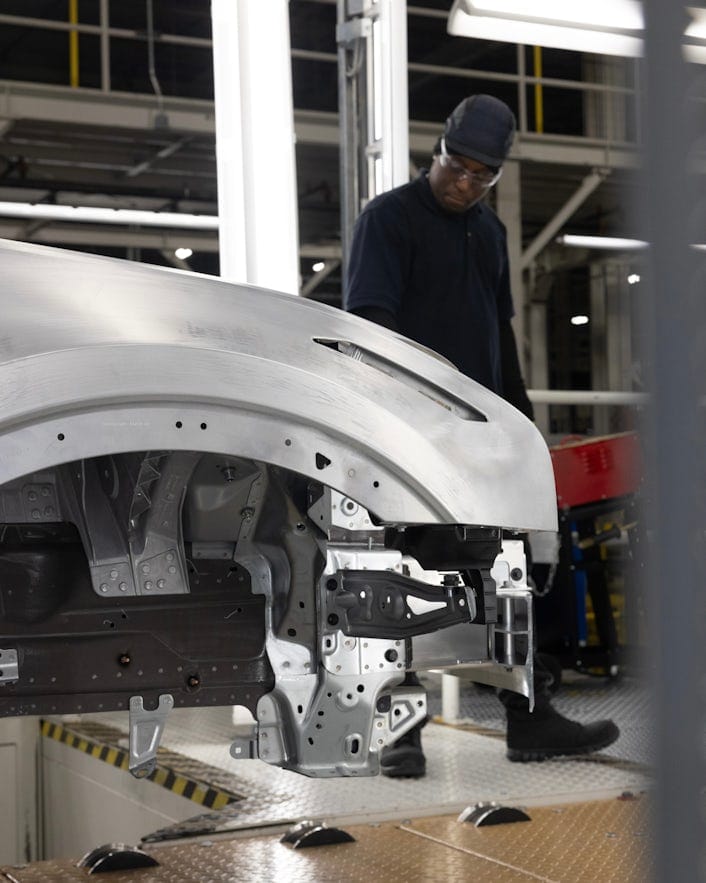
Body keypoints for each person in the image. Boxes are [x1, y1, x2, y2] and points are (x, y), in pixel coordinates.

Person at [343, 94, 620, 778]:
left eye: (482, 175)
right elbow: (369, 329)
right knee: (402, 579)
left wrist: (521, 427)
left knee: (509, 573)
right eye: (456, 166)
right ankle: (399, 732)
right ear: (435, 150)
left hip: (477, 437)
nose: (464, 183)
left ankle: (529, 719)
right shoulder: (389, 220)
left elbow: (500, 335)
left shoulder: (490, 235)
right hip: (405, 435)